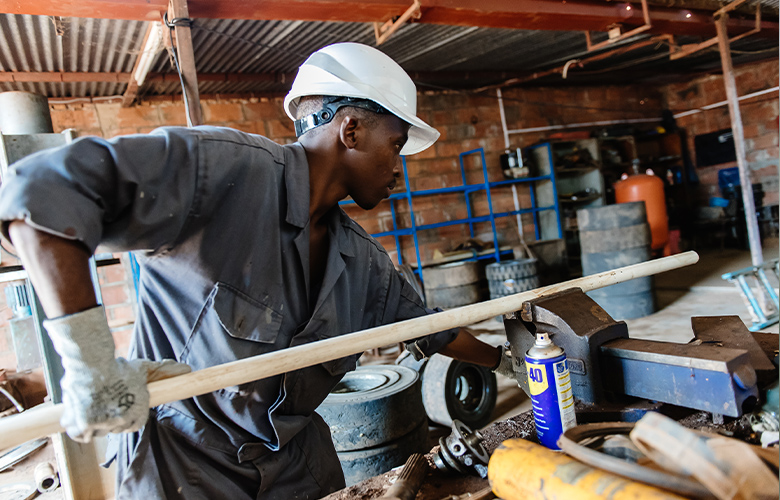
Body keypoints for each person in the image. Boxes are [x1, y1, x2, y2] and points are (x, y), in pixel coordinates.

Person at [0, 42, 514, 499]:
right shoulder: (221, 171)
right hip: (183, 468)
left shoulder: (363, 264)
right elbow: (42, 194)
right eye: (396, 145)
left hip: (296, 470)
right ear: (351, 129)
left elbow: (430, 330)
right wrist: (91, 364)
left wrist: (517, 364)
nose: (398, 169)